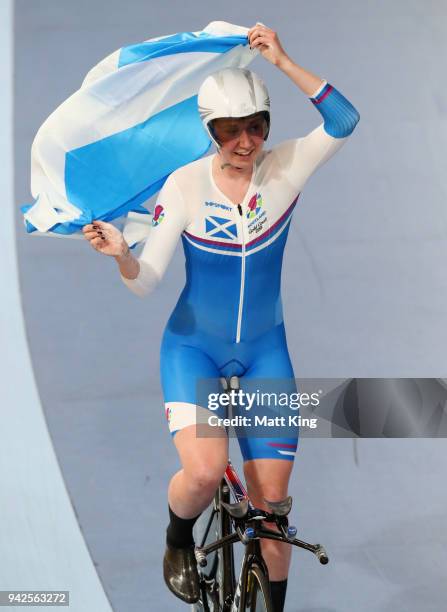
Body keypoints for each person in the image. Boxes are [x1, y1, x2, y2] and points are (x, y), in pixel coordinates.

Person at [82, 23, 359, 612]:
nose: (246, 141)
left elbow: (344, 120)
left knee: (273, 512)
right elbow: (147, 282)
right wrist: (124, 256)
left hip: (264, 352)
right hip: (194, 349)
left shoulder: (287, 167)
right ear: (211, 132)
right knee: (206, 474)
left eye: (256, 126)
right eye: (231, 131)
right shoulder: (184, 186)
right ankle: (178, 537)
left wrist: (282, 59)